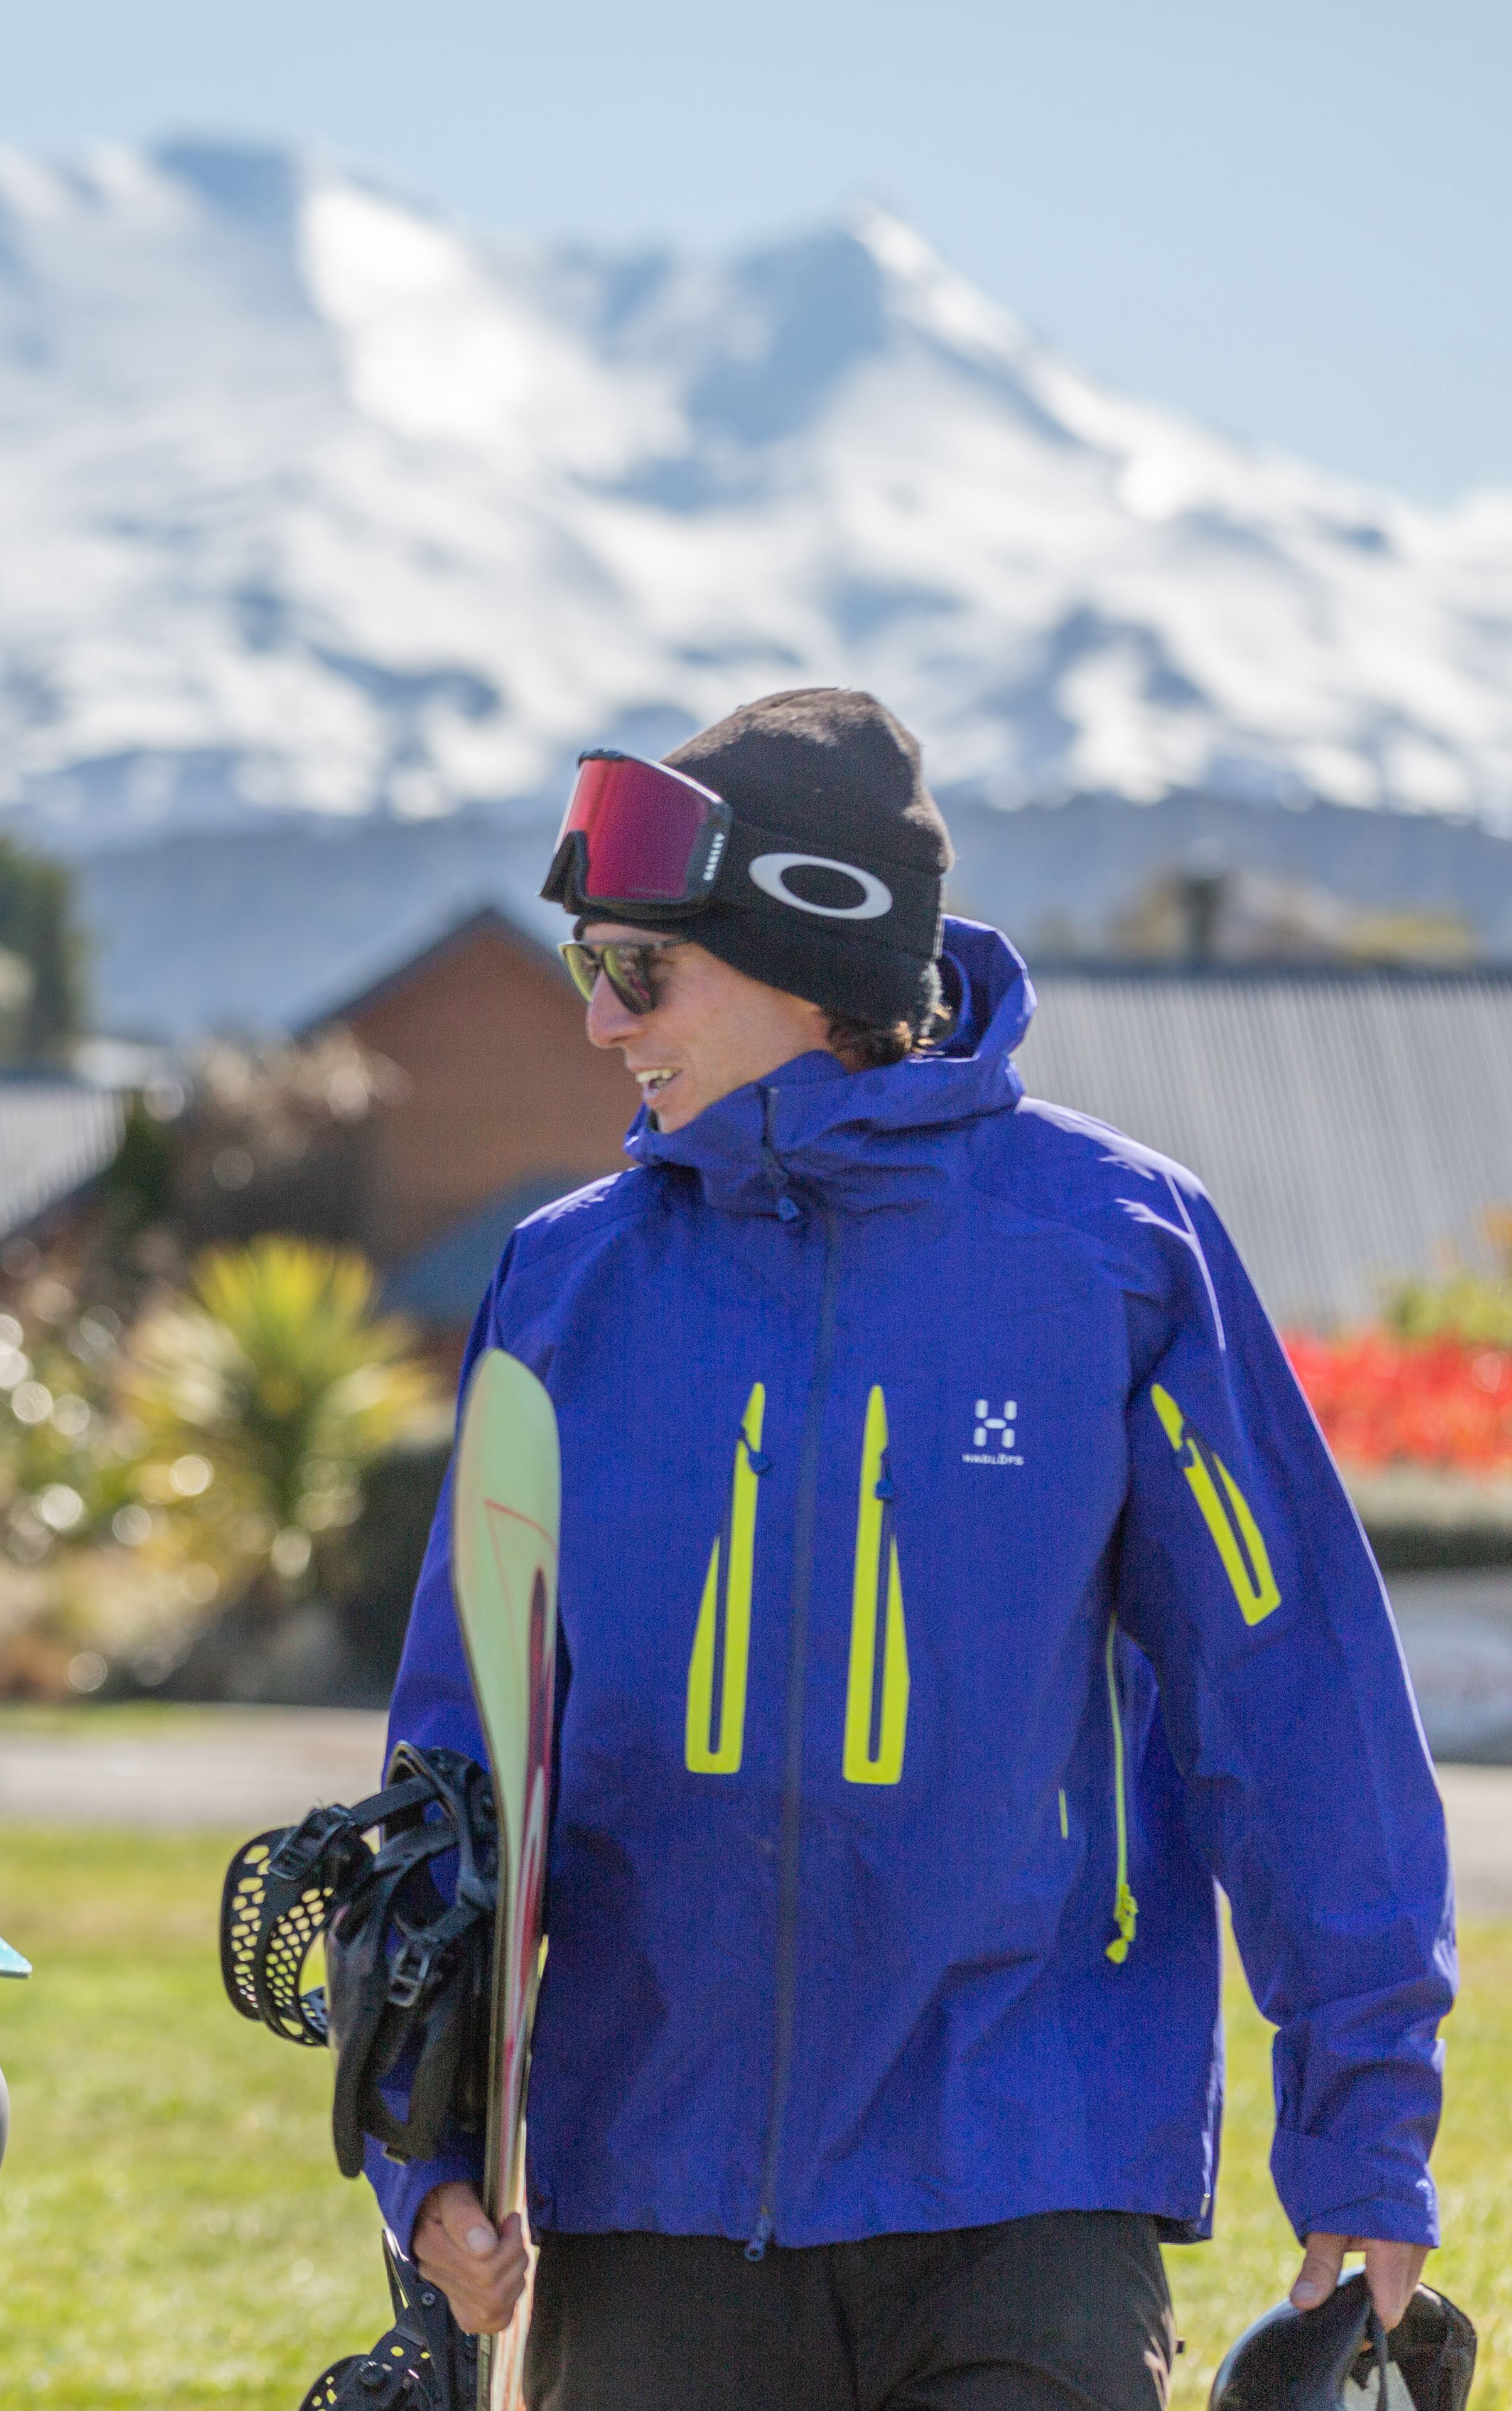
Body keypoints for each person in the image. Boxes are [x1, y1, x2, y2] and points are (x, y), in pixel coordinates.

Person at [379, 689, 1452, 2408]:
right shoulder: (568, 1285)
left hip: (1028, 2176)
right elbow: (463, 1762)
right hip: (653, 2193)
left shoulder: (1121, 1251)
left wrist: (1366, 2129)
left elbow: (1294, 1693)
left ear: (807, 953)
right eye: (589, 966)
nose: (597, 1020)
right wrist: (426, 2155)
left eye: (639, 969)